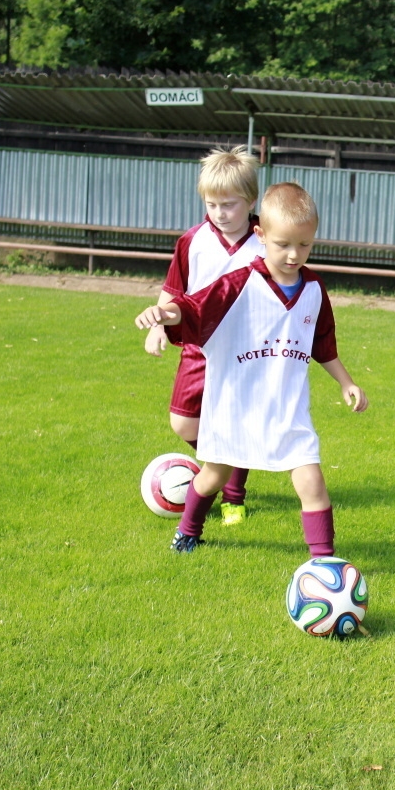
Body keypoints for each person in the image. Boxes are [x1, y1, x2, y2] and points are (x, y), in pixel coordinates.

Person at [134, 181, 368, 554]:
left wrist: (346, 382)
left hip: (288, 411)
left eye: (304, 245)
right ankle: (188, 530)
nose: (294, 254)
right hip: (233, 408)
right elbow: (195, 307)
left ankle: (324, 563)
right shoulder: (238, 284)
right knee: (213, 476)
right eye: (283, 244)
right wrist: (165, 313)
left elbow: (322, 342)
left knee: (312, 483)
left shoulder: (313, 289)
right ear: (261, 236)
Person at [144, 146, 264, 525]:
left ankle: (233, 497)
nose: (219, 213)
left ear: (251, 201)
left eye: (229, 205)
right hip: (199, 346)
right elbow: (174, 290)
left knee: (234, 423)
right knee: (183, 423)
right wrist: (159, 325)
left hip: (245, 351)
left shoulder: (267, 242)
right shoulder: (192, 241)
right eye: (212, 205)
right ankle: (222, 467)